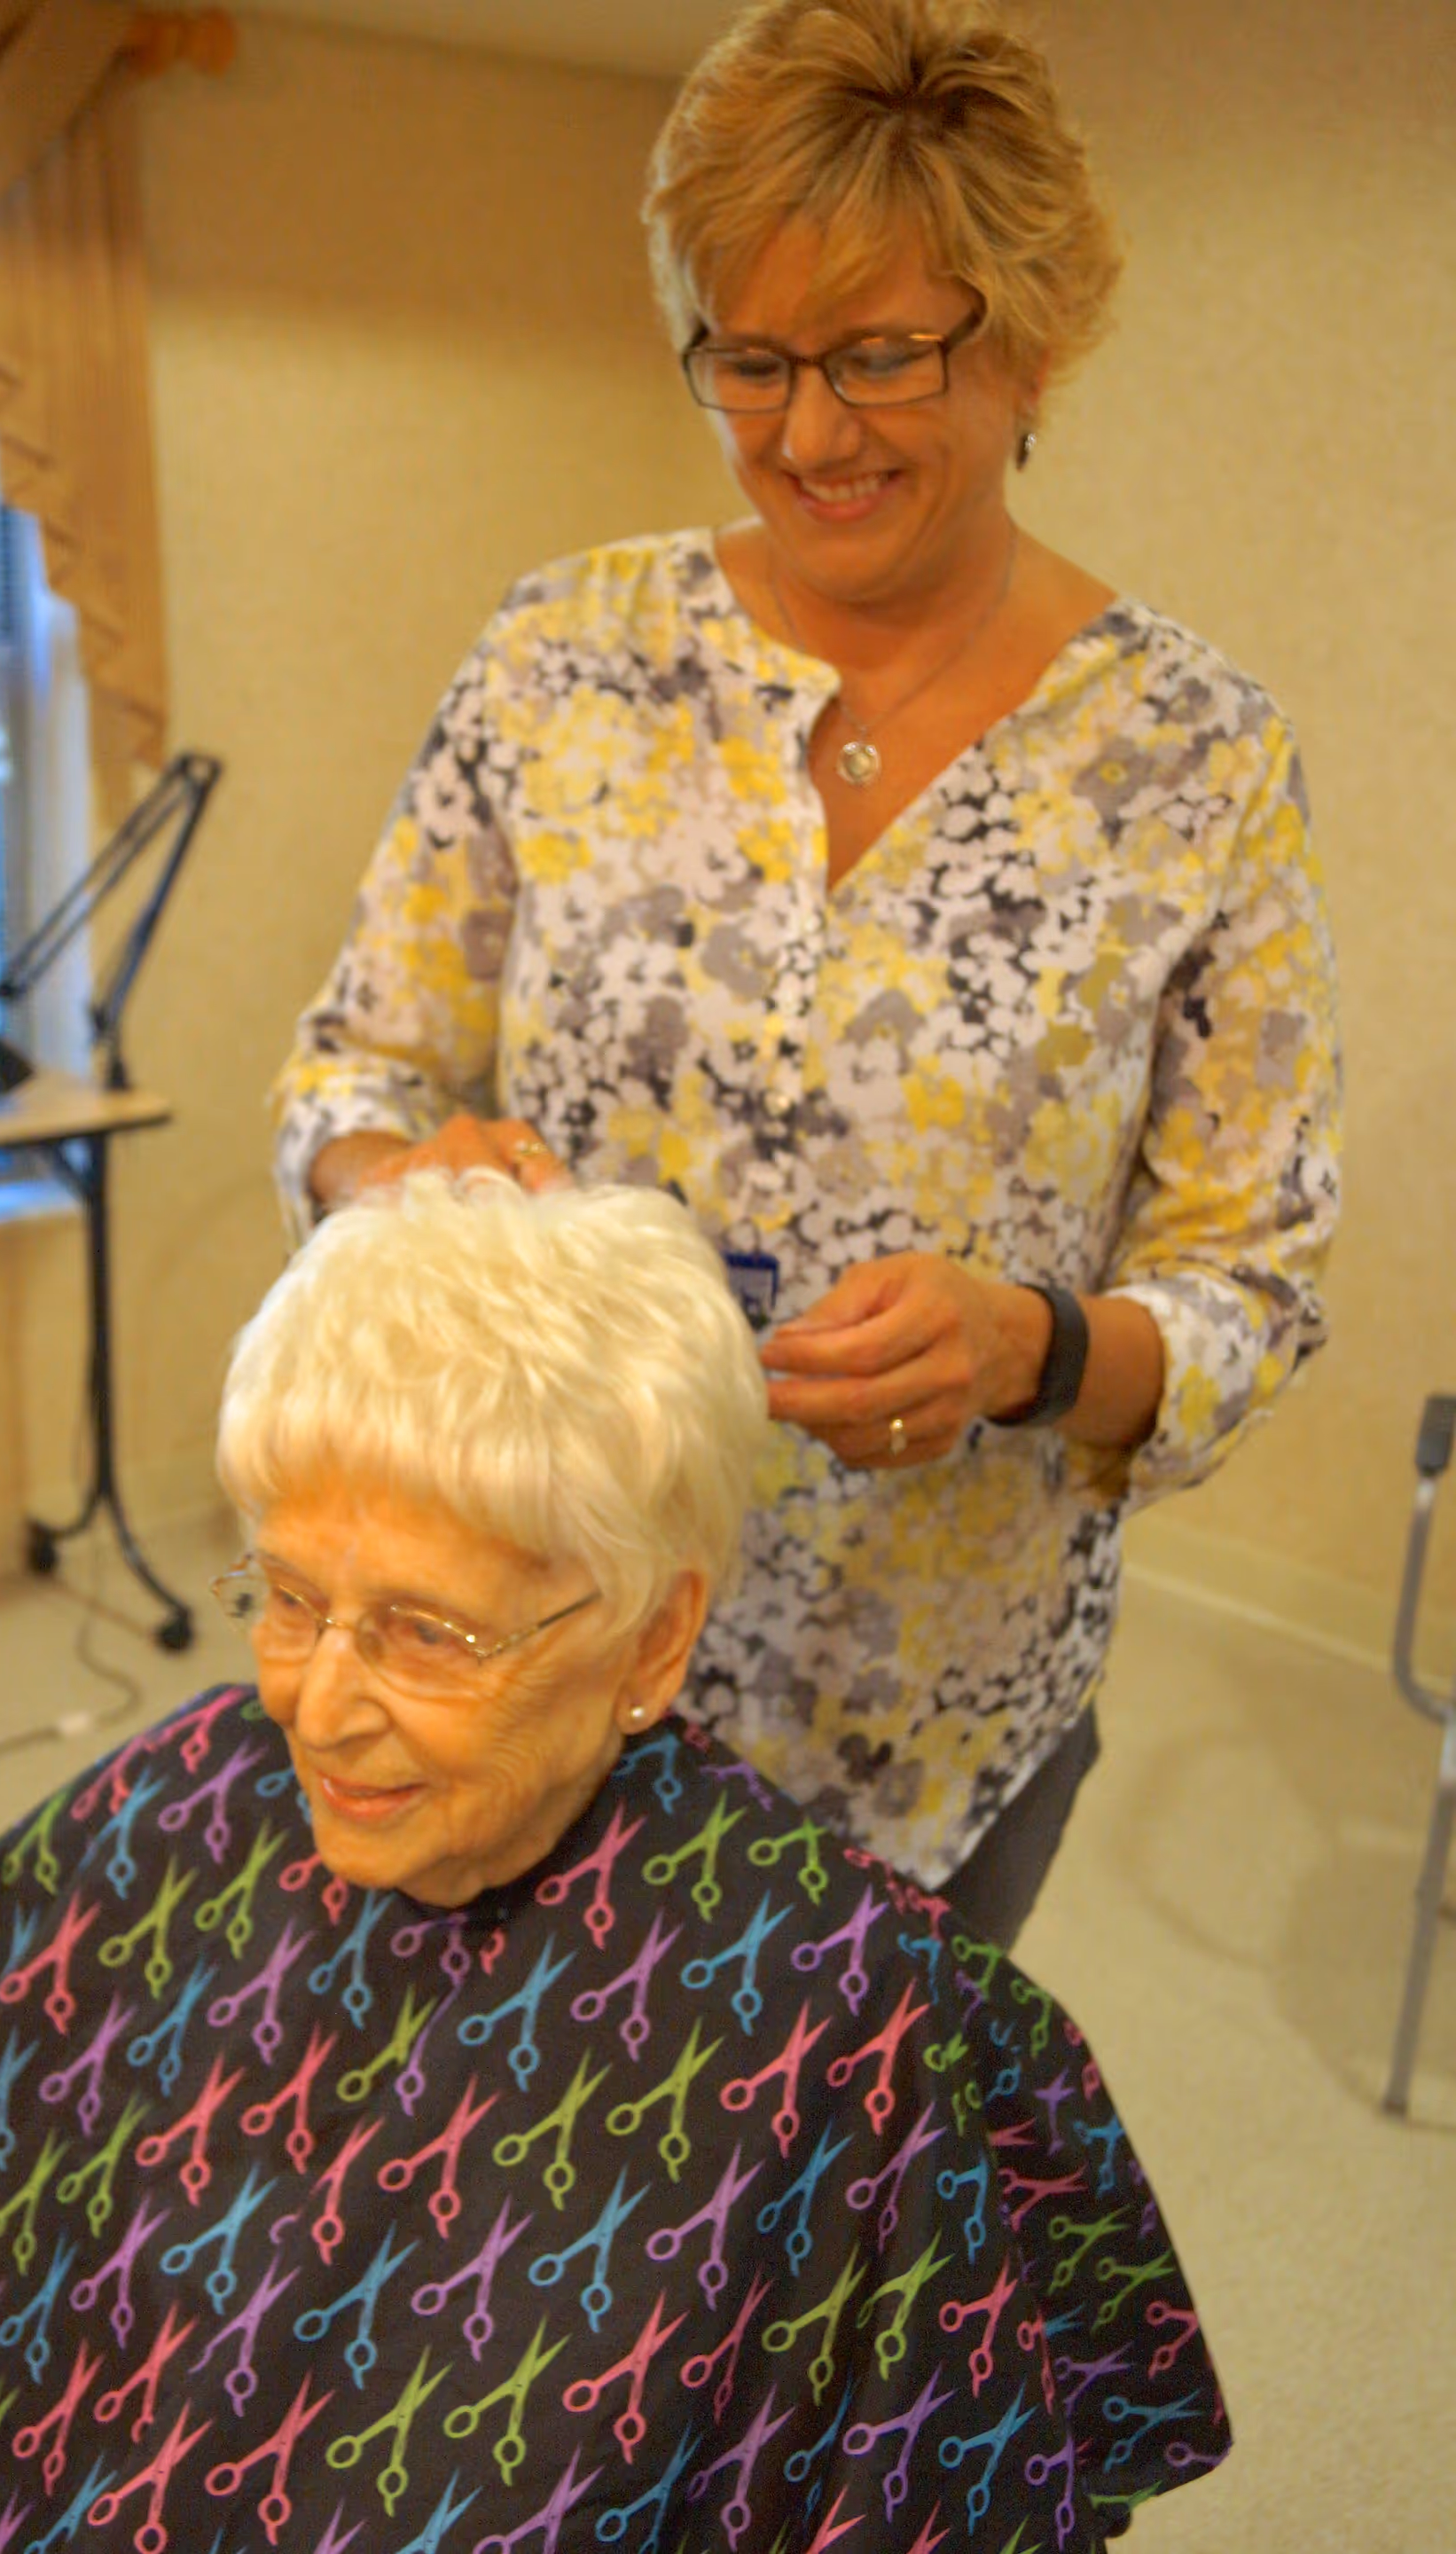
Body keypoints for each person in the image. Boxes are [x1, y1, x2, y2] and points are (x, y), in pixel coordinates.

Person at [271, 0, 1342, 1947]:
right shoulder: (562, 656)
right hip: (531, 1656)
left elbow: (1254, 1281)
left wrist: (1030, 1346)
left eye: (878, 355)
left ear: (1031, 345)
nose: (808, 433)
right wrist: (388, 1186)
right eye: (748, 360)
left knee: (821, 2224)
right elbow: (348, 1077)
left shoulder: (1194, 756)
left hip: (934, 1720)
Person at [0, 1176, 1227, 2549]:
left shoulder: (839, 2014)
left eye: (424, 1631)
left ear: (652, 1639)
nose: (313, 1709)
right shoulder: (184, 1799)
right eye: (285, 1597)